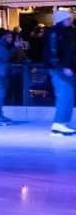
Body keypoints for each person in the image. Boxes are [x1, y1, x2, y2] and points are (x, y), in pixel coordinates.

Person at [46, 8, 76, 136]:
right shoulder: (55, 33)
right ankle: (58, 123)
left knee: (68, 96)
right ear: (62, 19)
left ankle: (62, 123)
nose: (71, 20)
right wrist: (62, 67)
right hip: (60, 69)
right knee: (64, 95)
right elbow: (52, 53)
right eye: (68, 18)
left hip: (67, 68)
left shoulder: (68, 32)